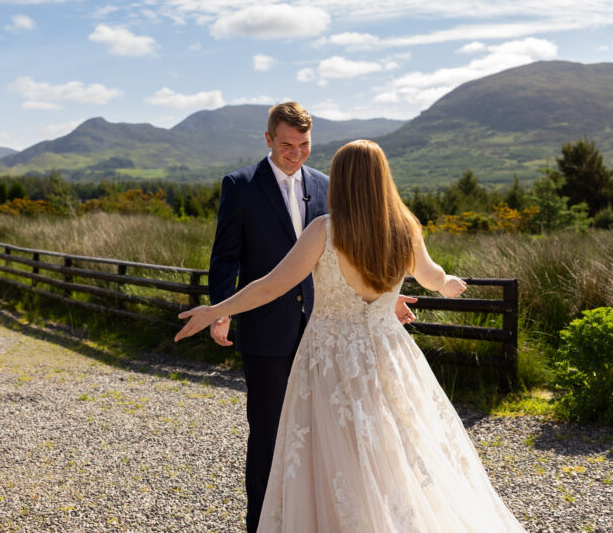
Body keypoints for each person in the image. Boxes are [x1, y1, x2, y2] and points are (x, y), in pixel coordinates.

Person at [179, 139, 525, 532]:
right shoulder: (405, 227)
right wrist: (448, 284)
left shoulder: (324, 230)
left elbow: (271, 286)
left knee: (334, 456)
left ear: (341, 180)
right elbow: (431, 276)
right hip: (388, 353)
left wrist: (216, 309)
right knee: (394, 447)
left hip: (329, 357)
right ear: (382, 178)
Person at [207, 104, 417, 533]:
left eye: (304, 145)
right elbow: (225, 256)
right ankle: (262, 525)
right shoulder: (240, 185)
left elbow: (353, 252)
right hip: (267, 329)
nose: (296, 153)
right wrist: (221, 310)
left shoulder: (326, 184)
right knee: (269, 435)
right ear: (268, 140)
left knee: (331, 436)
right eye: (287, 145)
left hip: (328, 333)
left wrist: (384, 300)